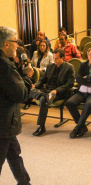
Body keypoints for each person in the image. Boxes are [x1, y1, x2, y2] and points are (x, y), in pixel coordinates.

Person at [0, 26, 33, 184]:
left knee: (14, 154)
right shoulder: (5, 66)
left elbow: (10, 86)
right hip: (3, 122)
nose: (18, 46)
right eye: (15, 42)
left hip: (6, 122)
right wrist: (26, 76)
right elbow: (20, 94)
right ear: (6, 44)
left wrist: (19, 71)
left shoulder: (6, 62)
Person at [30, 49, 75, 136]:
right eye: (53, 58)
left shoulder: (69, 67)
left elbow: (70, 84)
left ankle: (41, 126)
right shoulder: (50, 66)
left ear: (62, 58)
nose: (54, 60)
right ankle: (43, 95)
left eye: (57, 58)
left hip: (59, 92)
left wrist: (56, 90)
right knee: (29, 89)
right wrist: (35, 85)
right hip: (47, 91)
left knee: (43, 99)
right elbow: (42, 80)